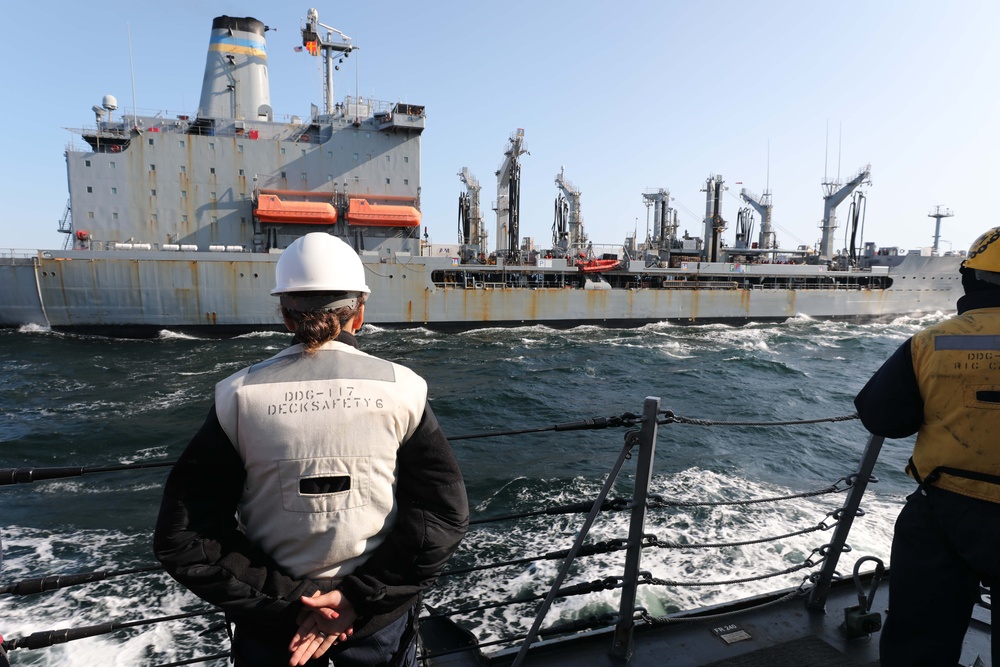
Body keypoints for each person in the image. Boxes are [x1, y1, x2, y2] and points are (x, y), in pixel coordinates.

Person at [154, 232, 469, 666]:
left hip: (276, 636)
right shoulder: (405, 389)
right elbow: (442, 516)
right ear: (359, 312)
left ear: (286, 315)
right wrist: (355, 600)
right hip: (377, 631)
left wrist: (296, 603)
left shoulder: (237, 396)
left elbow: (185, 537)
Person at [854, 226, 1000, 667]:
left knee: (920, 636)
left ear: (969, 278)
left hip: (945, 510)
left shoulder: (930, 342)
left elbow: (881, 417)